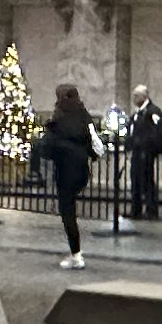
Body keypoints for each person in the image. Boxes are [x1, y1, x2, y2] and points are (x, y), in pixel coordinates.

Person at [36, 82, 99, 268]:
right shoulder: (83, 115)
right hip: (81, 170)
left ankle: (76, 254)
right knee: (69, 209)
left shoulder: (59, 118)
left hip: (65, 171)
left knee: (67, 212)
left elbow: (48, 147)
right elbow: (93, 142)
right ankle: (76, 253)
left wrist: (37, 144)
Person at [126, 85, 162, 221]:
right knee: (135, 180)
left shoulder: (153, 111)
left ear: (144, 96)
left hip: (146, 151)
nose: (134, 98)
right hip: (137, 151)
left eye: (136, 96)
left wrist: (147, 145)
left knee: (146, 181)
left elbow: (156, 130)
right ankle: (136, 209)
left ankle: (151, 210)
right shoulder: (138, 112)